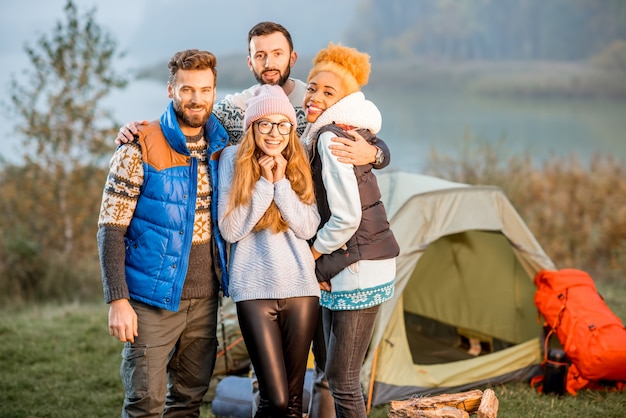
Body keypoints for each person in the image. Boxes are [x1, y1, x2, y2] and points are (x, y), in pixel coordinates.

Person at [97, 49, 229, 417]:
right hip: (150, 301)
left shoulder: (223, 146)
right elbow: (110, 228)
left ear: (215, 92)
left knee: (188, 402)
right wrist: (117, 300)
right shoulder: (138, 146)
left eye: (205, 90)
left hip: (205, 300)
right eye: (187, 89)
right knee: (146, 404)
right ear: (171, 89)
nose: (196, 99)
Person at [302, 42, 400, 418]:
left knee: (342, 380)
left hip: (356, 268)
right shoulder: (341, 128)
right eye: (312, 86)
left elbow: (346, 218)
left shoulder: (330, 137)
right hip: (350, 262)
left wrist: (313, 256)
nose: (316, 96)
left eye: (329, 92)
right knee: (336, 374)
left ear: (346, 99)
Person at [217, 84, 321, 418]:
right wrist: (264, 184)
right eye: (265, 124)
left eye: (283, 124)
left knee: (293, 402)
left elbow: (308, 227)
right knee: (273, 399)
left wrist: (281, 184)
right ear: (252, 127)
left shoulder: (299, 157)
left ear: (291, 128)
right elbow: (230, 229)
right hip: (254, 291)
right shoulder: (233, 159)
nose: (274, 133)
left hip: (301, 289)